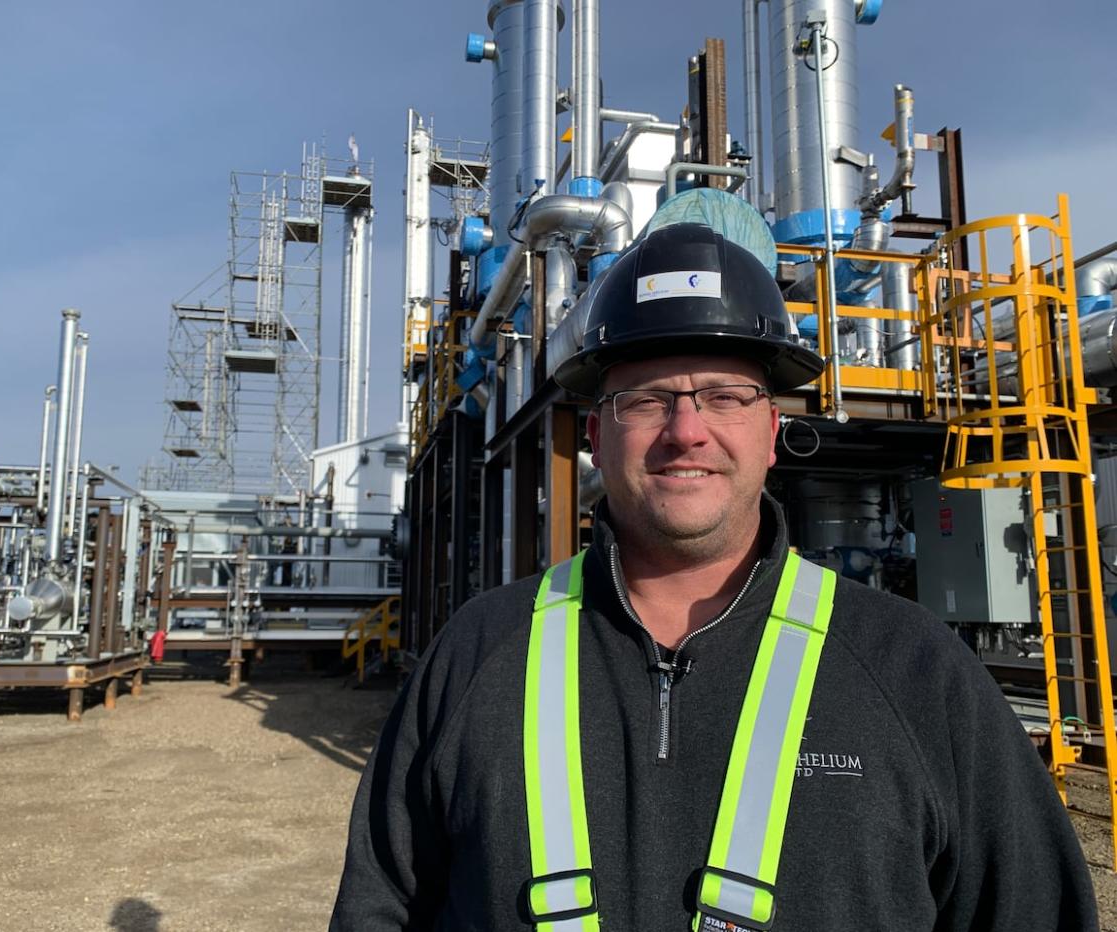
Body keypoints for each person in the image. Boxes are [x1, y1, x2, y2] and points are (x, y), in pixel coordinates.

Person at [330, 223, 1098, 931]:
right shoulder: (479, 654)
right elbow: (380, 908)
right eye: (648, 400)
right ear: (597, 436)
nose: (686, 430)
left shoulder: (918, 674)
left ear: (772, 433)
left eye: (726, 397)